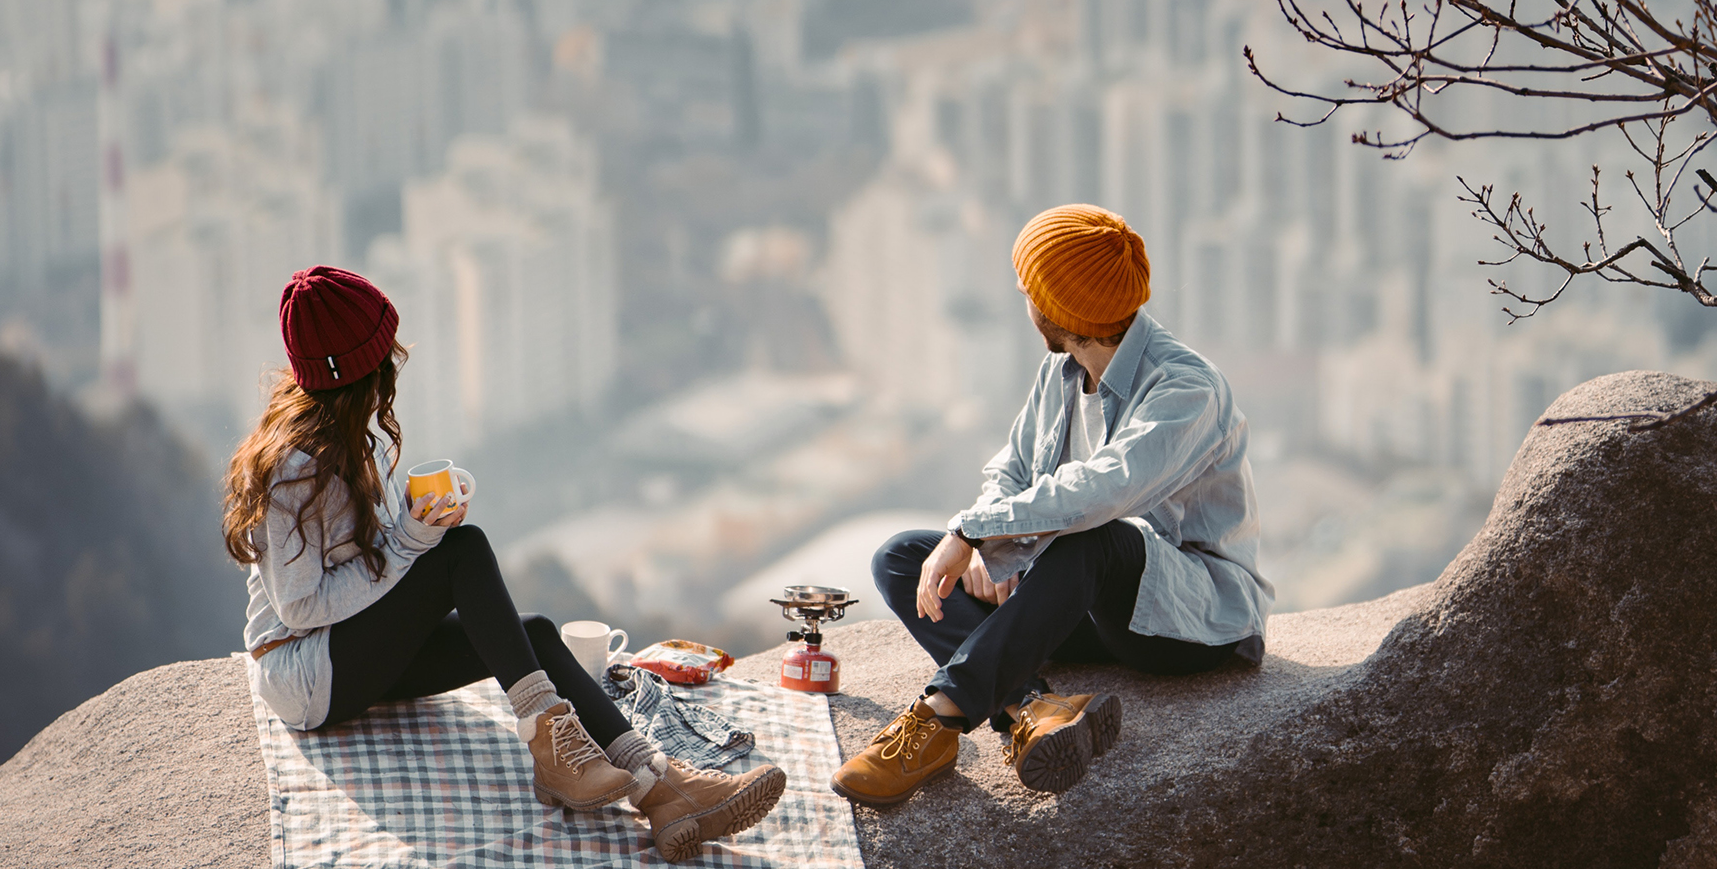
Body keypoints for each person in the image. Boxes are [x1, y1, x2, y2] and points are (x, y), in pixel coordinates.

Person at [224, 266, 785, 862]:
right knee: (461, 554)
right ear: (361, 368)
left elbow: (363, 558)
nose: (394, 364)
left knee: (533, 633)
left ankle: (661, 789)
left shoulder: (337, 434)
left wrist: (414, 522)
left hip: (348, 653)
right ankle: (555, 752)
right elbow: (302, 606)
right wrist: (414, 541)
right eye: (385, 352)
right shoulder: (293, 468)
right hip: (306, 673)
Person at [830, 205, 1273, 806]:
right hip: (1084, 605)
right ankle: (1032, 706)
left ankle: (939, 720)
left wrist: (983, 533)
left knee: (1097, 535)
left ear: (1059, 310)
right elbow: (1010, 470)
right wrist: (985, 547)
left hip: (1193, 622)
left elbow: (1103, 491)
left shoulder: (1185, 388)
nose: (1024, 301)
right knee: (903, 556)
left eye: (1029, 290)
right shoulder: (1060, 372)